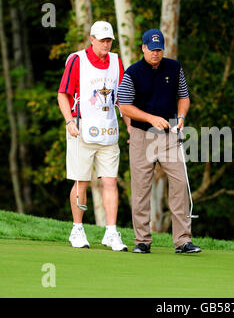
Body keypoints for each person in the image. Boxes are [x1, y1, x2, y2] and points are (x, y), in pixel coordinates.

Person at [118, 29, 201, 254]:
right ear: (143, 48)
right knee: (141, 188)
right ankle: (142, 240)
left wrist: (182, 117)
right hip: (141, 135)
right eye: (152, 49)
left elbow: (183, 97)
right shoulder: (132, 72)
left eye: (159, 49)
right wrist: (150, 118)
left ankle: (183, 240)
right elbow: (124, 105)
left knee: (180, 184)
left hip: (169, 135)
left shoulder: (174, 68)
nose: (156, 53)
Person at [57, 21, 129, 251]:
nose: (106, 44)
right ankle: (77, 229)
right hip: (81, 128)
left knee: (110, 181)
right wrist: (69, 121)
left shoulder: (116, 62)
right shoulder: (78, 60)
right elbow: (63, 94)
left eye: (109, 40)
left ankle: (111, 232)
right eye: (102, 40)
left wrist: (129, 127)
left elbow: (121, 99)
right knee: (82, 181)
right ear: (92, 39)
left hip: (109, 131)